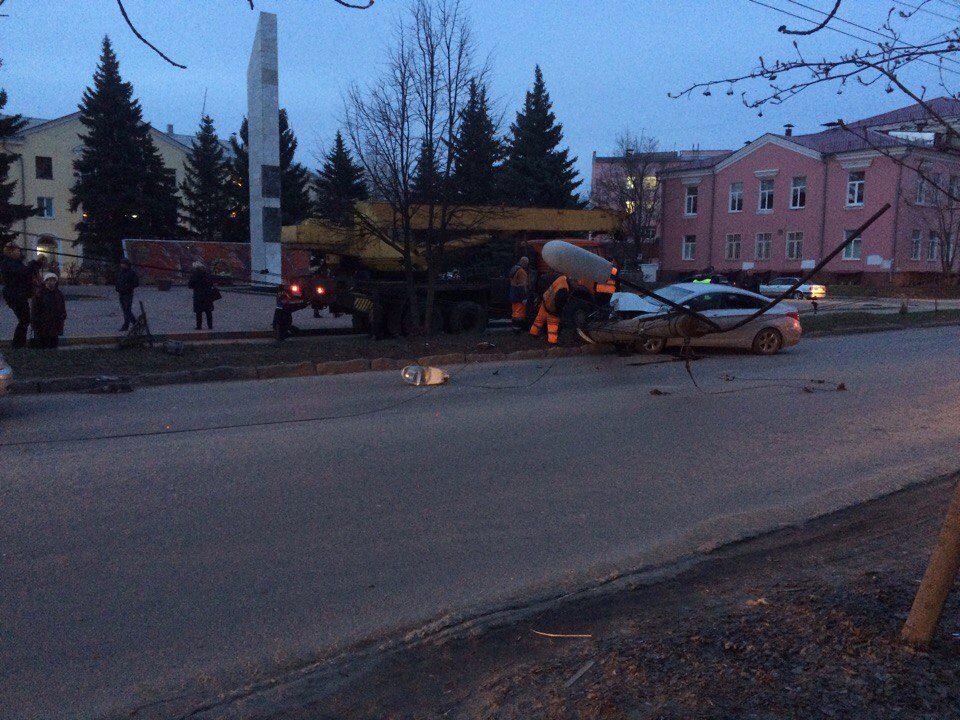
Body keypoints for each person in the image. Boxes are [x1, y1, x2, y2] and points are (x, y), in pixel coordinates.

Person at [1, 244, 42, 348]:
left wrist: (37, 264)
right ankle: (17, 344)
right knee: (25, 319)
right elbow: (24, 273)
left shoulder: (16, 263)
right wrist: (33, 263)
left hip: (18, 294)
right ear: (10, 252)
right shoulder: (8, 263)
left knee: (24, 319)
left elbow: (27, 272)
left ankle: (19, 343)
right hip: (15, 295)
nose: (19, 252)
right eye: (17, 251)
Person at [530, 273, 573, 345]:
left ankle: (533, 333)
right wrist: (558, 312)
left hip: (546, 300)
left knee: (539, 319)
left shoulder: (561, 279)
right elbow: (559, 300)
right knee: (553, 324)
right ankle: (552, 341)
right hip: (551, 307)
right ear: (571, 282)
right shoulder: (564, 288)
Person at [30, 272, 66, 349]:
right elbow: (34, 310)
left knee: (53, 346)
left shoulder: (59, 294)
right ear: (45, 281)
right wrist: (34, 324)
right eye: (49, 280)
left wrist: (62, 317)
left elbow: (62, 308)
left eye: (53, 280)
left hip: (54, 324)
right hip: (42, 325)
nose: (51, 282)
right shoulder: (39, 294)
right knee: (42, 346)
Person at [188, 261, 217, 330]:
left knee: (198, 312)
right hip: (208, 295)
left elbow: (190, 285)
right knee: (208, 312)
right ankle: (210, 326)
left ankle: (199, 326)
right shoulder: (207, 274)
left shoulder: (194, 275)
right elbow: (212, 283)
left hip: (198, 295)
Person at [115, 257, 140, 331]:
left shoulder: (131, 273)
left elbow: (136, 283)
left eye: (123, 264)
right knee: (124, 310)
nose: (122, 265)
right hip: (121, 293)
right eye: (121, 263)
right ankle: (130, 324)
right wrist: (117, 288)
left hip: (128, 294)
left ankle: (133, 323)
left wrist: (128, 287)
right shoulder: (120, 272)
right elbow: (118, 280)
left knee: (127, 310)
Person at [508, 256, 530, 328]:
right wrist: (524, 297)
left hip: (513, 293)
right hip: (519, 296)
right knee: (519, 313)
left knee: (515, 312)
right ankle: (518, 328)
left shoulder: (514, 269)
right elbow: (522, 286)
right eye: (527, 263)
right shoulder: (522, 272)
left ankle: (514, 327)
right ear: (524, 263)